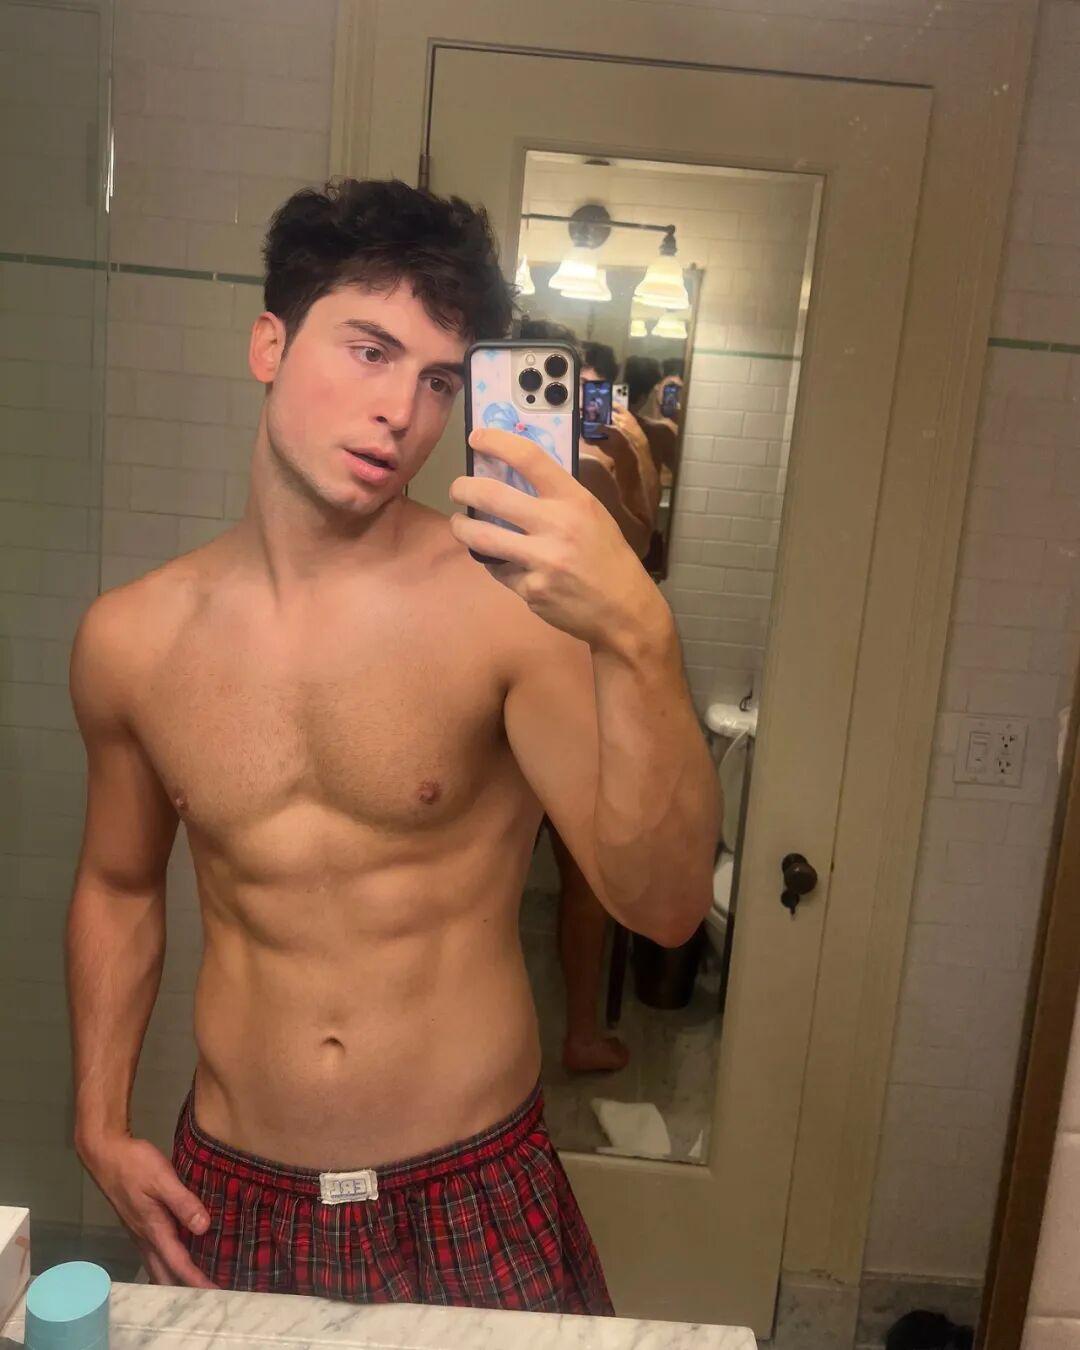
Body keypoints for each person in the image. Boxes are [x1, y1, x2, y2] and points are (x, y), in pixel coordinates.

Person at [66, 178, 720, 1312]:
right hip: (231, 1194)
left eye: (438, 381)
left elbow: (663, 910)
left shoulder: (508, 611)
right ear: (270, 345)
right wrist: (97, 1118)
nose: (401, 414)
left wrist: (638, 634)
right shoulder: (132, 641)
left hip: (474, 1189)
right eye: (369, 351)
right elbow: (119, 885)